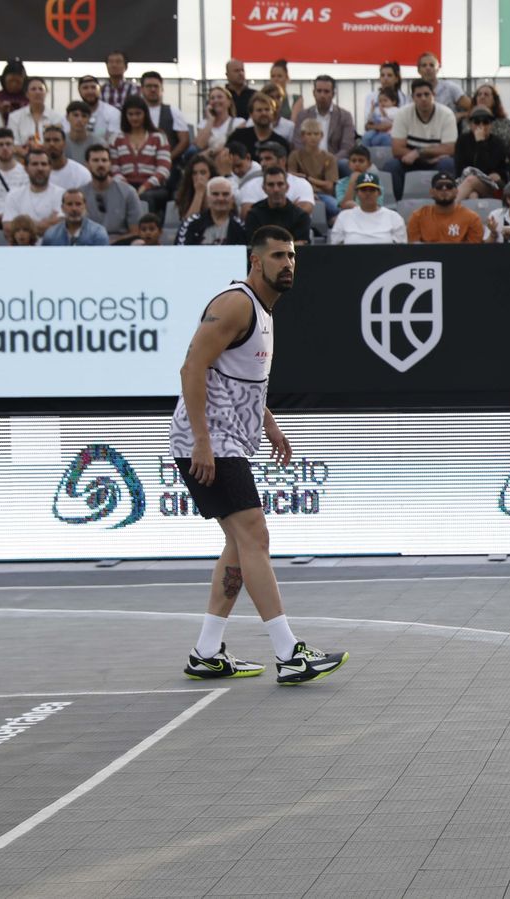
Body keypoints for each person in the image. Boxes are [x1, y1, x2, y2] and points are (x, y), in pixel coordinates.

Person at [173, 225, 348, 685]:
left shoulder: (265, 312)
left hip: (231, 441)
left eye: (291, 256)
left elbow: (237, 379)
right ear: (256, 262)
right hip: (212, 444)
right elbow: (192, 367)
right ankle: (289, 653)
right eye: (277, 256)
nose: (287, 264)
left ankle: (206, 652)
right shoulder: (235, 304)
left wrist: (268, 423)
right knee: (256, 536)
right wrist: (202, 442)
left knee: (238, 545)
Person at [386, 81, 458, 198]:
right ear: (412, 97)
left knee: (448, 163)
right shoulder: (403, 114)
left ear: (433, 95)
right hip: (411, 161)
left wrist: (418, 152)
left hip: (435, 161)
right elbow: (397, 149)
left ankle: (444, 202)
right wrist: (424, 158)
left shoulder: (447, 114)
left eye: (427, 94)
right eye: (419, 95)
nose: (423, 98)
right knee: (392, 166)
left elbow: (450, 149)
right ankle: (397, 206)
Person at [293, 75, 357, 169]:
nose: (322, 95)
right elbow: (298, 143)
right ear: (314, 93)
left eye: (326, 91)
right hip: (307, 161)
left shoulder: (344, 116)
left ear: (333, 94)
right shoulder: (303, 115)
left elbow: (347, 147)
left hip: (335, 161)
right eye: (319, 91)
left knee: (345, 164)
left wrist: (330, 161)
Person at [455, 107, 510, 199]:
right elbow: (461, 169)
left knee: (471, 180)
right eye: (477, 122)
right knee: (473, 195)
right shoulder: (463, 141)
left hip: (494, 185)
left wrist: (480, 143)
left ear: (491, 125)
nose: (481, 125)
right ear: (470, 124)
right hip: (467, 182)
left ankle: (448, 210)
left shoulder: (497, 143)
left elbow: (486, 169)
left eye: (485, 122)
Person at [83, 144, 141, 241]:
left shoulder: (128, 192)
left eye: (104, 160)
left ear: (110, 164)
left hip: (120, 244)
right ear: (87, 165)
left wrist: (111, 242)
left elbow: (135, 232)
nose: (101, 164)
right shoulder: (80, 194)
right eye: (95, 160)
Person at [237, 143, 314, 216]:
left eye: (268, 159)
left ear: (282, 161)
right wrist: (290, 209)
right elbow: (246, 213)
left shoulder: (302, 184)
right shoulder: (250, 185)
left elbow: (305, 210)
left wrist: (261, 212)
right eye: (261, 159)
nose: (263, 163)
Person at [329, 173, 405, 244]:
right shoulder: (344, 217)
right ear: (356, 193)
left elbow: (400, 250)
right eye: (363, 190)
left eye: (372, 190)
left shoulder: (394, 217)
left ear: (379, 193)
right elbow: (336, 249)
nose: (368, 193)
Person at [408, 171, 483, 243]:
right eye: (439, 186)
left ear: (456, 192)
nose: (444, 189)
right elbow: (414, 250)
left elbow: (474, 252)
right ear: (431, 192)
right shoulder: (418, 217)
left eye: (449, 186)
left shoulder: (472, 218)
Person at [288, 119, 339, 222]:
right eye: (309, 134)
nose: (313, 137)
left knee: (336, 208)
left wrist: (308, 178)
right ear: (302, 136)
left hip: (323, 194)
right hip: (300, 193)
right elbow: (291, 178)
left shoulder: (329, 157)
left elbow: (329, 186)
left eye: (316, 134)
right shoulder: (295, 155)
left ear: (322, 136)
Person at [243, 167, 312, 243]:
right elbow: (254, 246)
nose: (276, 189)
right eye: (271, 185)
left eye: (280, 184)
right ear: (264, 188)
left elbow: (302, 246)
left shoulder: (301, 216)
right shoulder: (254, 215)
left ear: (287, 187)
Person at [2, 147, 65, 227]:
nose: (40, 168)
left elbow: (61, 226)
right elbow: (8, 227)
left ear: (50, 168)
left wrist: (23, 225)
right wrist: (47, 223)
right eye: (35, 164)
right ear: (26, 168)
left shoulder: (62, 194)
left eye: (44, 164)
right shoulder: (13, 195)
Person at [178, 177, 248, 245]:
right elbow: (180, 252)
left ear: (232, 199)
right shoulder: (190, 224)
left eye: (225, 194)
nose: (220, 198)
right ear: (207, 198)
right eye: (215, 194)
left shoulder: (240, 227)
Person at [140, 72, 192, 161]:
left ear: (162, 89)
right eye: (148, 86)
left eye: (156, 86)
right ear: (142, 89)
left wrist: (166, 159)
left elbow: (184, 141)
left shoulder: (174, 111)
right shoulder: (135, 112)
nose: (153, 89)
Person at [40, 188, 109, 245]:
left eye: (78, 204)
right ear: (62, 208)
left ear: (85, 207)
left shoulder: (98, 233)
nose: (74, 209)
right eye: (69, 204)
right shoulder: (51, 235)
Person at [197, 86, 245, 154]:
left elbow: (232, 144)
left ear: (229, 102)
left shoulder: (239, 122)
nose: (216, 100)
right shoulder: (203, 124)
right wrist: (210, 120)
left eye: (219, 97)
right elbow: (200, 145)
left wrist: (211, 152)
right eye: (212, 98)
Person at [42, 126, 91, 191]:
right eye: (47, 140)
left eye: (56, 140)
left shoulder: (81, 174)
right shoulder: (36, 174)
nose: (51, 144)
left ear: (64, 144)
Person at [76, 75, 122, 141]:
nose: (90, 91)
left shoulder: (113, 113)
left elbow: (114, 141)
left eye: (93, 87)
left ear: (99, 89)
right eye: (85, 88)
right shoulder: (73, 114)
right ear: (79, 91)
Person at [175, 155, 218, 222]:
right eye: (195, 173)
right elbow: (188, 224)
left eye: (203, 173)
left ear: (211, 175)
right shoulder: (185, 196)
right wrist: (199, 193)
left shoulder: (220, 193)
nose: (198, 177)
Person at [267, 59, 304, 125]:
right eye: (273, 76)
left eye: (279, 76)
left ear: (287, 78)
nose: (276, 79)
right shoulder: (264, 98)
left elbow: (293, 124)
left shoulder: (296, 99)